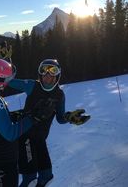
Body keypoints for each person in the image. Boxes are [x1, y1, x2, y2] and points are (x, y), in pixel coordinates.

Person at [0, 58, 52, 187]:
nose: (7, 83)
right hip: (1, 163)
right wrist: (33, 118)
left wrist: (17, 116)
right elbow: (10, 133)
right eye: (5, 79)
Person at [8, 59, 90, 187]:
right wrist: (6, 63)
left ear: (57, 76)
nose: (47, 74)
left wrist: (70, 118)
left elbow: (60, 118)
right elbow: (9, 81)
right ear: (40, 74)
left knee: (46, 177)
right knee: (30, 180)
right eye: (44, 71)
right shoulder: (32, 86)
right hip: (25, 137)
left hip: (40, 139)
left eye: (53, 71)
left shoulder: (59, 95)